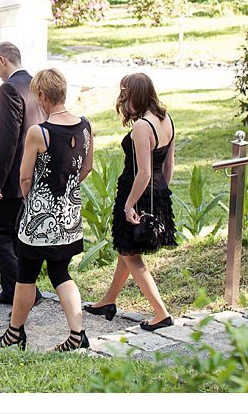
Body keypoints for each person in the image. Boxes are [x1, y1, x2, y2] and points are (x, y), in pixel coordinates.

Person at [0, 68, 94, 352]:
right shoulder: (85, 126)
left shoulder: (39, 132)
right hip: (69, 216)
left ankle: (15, 332)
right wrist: (66, 190)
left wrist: (32, 201)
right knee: (61, 273)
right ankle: (78, 333)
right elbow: (87, 167)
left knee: (25, 275)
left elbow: (25, 177)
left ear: (42, 95)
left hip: (39, 220)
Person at [85, 73, 177, 331]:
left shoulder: (141, 126)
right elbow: (168, 164)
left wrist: (129, 205)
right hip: (157, 191)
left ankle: (161, 313)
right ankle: (108, 300)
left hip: (136, 193)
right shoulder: (166, 119)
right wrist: (162, 193)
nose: (122, 99)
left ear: (134, 95)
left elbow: (143, 172)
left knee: (130, 254)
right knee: (125, 250)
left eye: (124, 94)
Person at [0, 42, 47, 305]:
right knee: (12, 234)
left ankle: (27, 292)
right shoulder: (36, 85)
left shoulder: (9, 89)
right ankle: (13, 290)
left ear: (3, 60)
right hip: (32, 174)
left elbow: (7, 139)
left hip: (9, 178)